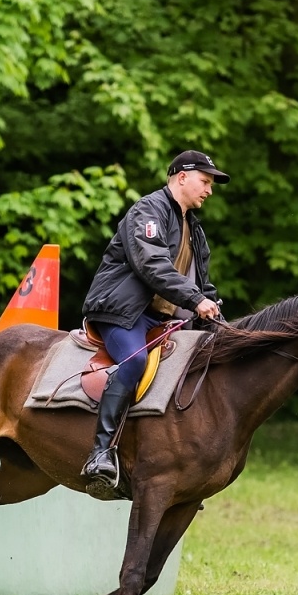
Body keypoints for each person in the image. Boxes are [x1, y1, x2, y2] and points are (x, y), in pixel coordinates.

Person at [79, 150, 228, 498]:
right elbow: (153, 266)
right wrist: (195, 300)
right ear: (181, 177)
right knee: (134, 363)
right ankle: (100, 452)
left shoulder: (195, 231)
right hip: (122, 314)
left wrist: (220, 319)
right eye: (205, 182)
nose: (209, 190)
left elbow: (205, 287)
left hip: (165, 321)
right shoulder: (147, 211)